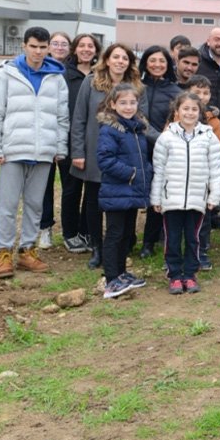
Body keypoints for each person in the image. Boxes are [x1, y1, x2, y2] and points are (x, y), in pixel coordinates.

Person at [0, 26, 68, 278]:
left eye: (43, 47)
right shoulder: (6, 74)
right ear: (24, 45)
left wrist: (59, 147)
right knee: (7, 205)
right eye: (34, 46)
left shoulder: (56, 78)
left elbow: (62, 117)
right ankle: (3, 253)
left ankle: (27, 250)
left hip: (43, 152)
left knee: (35, 204)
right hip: (12, 151)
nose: (38, 52)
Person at [71, 43, 144, 269]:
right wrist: (77, 151)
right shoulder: (91, 83)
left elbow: (143, 120)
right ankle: (97, 247)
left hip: (126, 154)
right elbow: (79, 118)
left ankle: (124, 243)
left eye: (125, 58)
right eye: (116, 57)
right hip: (95, 151)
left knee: (126, 200)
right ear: (107, 60)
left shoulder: (137, 87)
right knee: (93, 201)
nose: (120, 61)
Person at [150, 92, 220, 294]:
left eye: (194, 109)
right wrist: (156, 197)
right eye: (185, 109)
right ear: (177, 111)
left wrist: (214, 194)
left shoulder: (208, 136)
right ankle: (174, 275)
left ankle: (190, 274)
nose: (190, 113)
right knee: (172, 238)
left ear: (200, 112)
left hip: (197, 198)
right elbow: (159, 169)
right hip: (171, 198)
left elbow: (216, 168)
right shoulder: (166, 137)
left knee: (194, 238)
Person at [96, 83, 152, 299]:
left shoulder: (136, 128)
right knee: (115, 234)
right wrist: (131, 174)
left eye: (132, 102)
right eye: (123, 103)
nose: (128, 107)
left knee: (127, 234)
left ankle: (122, 273)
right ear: (113, 104)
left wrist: (145, 172)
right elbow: (105, 159)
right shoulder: (110, 129)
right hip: (117, 191)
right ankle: (111, 279)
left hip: (132, 191)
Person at [58, 33, 101, 253]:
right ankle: (70, 233)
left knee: (92, 188)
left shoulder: (99, 75)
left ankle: (86, 230)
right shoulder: (64, 74)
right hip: (70, 139)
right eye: (82, 45)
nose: (86, 49)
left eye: (90, 46)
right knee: (72, 188)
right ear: (75, 49)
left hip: (93, 140)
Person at [138, 45, 182, 258]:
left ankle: (150, 241)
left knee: (158, 193)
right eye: (152, 60)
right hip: (137, 147)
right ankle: (127, 238)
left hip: (164, 151)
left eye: (162, 61)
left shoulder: (176, 91)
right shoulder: (136, 87)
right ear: (145, 62)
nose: (157, 65)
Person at [35, 30, 72, 250]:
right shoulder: (40, 69)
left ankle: (71, 230)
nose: (59, 47)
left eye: (64, 43)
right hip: (46, 135)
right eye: (55, 43)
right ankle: (45, 227)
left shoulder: (73, 71)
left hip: (69, 135)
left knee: (69, 186)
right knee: (44, 185)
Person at [187, 75, 220, 270]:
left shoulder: (214, 120)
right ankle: (183, 252)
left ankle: (201, 252)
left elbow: (219, 150)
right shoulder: (177, 116)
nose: (201, 96)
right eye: (197, 92)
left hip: (205, 176)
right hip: (182, 176)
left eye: (205, 93)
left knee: (204, 217)